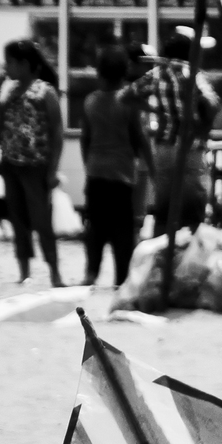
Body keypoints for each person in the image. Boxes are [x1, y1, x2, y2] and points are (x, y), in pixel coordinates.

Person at [132, 30, 220, 238]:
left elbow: (125, 96)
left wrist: (153, 110)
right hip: (190, 150)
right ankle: (188, 260)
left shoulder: (155, 74)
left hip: (163, 150)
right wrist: (202, 127)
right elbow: (212, 103)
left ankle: (162, 260)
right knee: (192, 214)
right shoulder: (193, 75)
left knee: (163, 212)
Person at [0, 40, 65, 284]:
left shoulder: (45, 92)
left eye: (10, 62)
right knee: (18, 220)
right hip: (12, 163)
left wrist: (53, 169)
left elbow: (56, 132)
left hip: (36, 165)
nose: (7, 67)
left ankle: (54, 271)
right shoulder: (10, 92)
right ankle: (24, 272)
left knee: (42, 220)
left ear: (24, 64)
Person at [78, 44, 147, 287]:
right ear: (124, 71)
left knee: (95, 226)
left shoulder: (90, 101)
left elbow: (85, 138)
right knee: (122, 230)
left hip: (96, 171)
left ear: (99, 72)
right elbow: (137, 137)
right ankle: (121, 276)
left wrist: (89, 163)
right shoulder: (128, 101)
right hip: (122, 173)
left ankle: (91, 273)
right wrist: (147, 165)